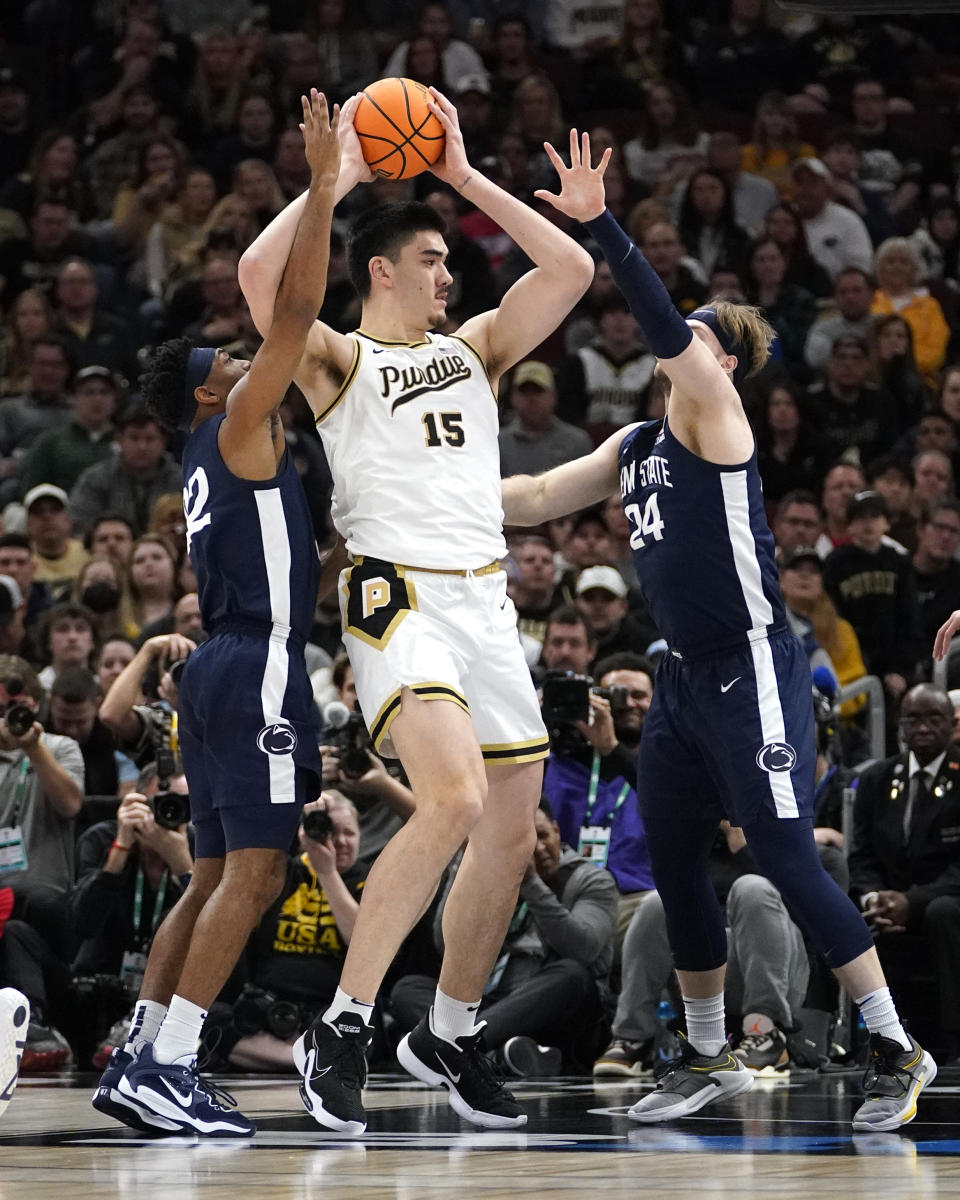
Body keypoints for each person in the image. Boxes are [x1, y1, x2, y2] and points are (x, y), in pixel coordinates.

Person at [500, 130, 936, 1131]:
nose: (676, 345)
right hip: (681, 678)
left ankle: (892, 1042)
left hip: (754, 668)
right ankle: (700, 1055)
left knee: (783, 855)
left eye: (696, 335)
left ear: (723, 360)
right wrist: (423, 500)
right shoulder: (639, 439)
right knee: (678, 852)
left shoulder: (718, 416)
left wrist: (603, 225)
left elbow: (660, 320)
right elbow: (531, 496)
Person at [238, 93, 595, 1135]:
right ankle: (344, 1024)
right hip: (398, 593)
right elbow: (261, 282)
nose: (453, 274)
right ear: (382, 270)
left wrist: (462, 172)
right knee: (448, 800)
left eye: (453, 260)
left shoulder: (475, 350)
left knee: (512, 823)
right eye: (435, 257)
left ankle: (446, 1027)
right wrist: (341, 173)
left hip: (487, 598)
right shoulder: (339, 358)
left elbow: (570, 270)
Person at [91, 89, 340, 1139]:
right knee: (259, 870)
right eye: (227, 367)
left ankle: (144, 1049)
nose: (248, 365)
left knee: (207, 878)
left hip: (232, 661)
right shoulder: (237, 424)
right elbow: (290, 315)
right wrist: (325, 187)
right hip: (257, 665)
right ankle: (176, 1060)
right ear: (208, 395)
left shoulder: (229, 454)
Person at [848, 684, 960, 1063]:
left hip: (944, 902)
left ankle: (950, 1040)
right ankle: (860, 1039)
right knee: (843, 915)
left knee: (943, 911)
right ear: (900, 724)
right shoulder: (877, 779)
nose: (923, 728)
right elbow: (861, 858)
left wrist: (910, 902)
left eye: (934, 719)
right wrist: (874, 898)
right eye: (913, 719)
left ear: (951, 724)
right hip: (890, 902)